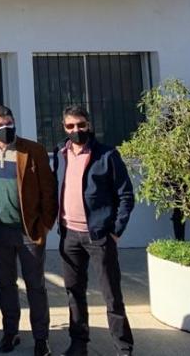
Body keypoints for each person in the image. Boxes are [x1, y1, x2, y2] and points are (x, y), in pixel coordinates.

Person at [52, 105, 134, 356]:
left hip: (99, 236)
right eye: (70, 126)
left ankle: (123, 347)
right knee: (74, 293)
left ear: (89, 125)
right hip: (69, 236)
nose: (76, 130)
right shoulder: (60, 153)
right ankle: (78, 344)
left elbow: (126, 195)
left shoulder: (107, 155)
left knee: (112, 295)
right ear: (63, 128)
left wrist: (116, 230)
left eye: (80, 125)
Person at [0, 106, 57, 356]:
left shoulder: (32, 150)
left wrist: (44, 225)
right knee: (6, 285)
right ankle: (10, 333)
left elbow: (49, 190)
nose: (6, 129)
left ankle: (41, 339)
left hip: (29, 231)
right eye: (0, 125)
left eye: (9, 123)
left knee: (35, 286)